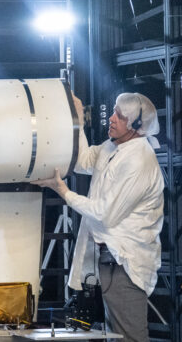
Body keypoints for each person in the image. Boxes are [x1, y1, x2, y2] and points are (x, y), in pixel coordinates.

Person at [33, 92, 164, 342]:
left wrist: (63, 191)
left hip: (125, 264)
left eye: (120, 116)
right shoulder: (112, 148)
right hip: (108, 261)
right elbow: (83, 161)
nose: (111, 119)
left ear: (137, 126)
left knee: (130, 336)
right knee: (116, 336)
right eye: (114, 112)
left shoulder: (138, 160)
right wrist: (78, 121)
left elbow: (105, 214)